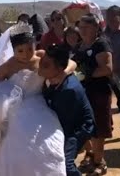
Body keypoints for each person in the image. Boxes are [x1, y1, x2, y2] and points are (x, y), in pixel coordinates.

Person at [0, 22, 76, 176]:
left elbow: (71, 62)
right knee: (13, 146)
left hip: (40, 106)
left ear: (35, 45)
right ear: (13, 49)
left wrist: (64, 72)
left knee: (49, 141)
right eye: (20, 50)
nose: (25, 54)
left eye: (30, 48)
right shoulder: (9, 66)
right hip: (15, 110)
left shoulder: (42, 56)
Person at [40, 45, 95, 176]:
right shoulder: (54, 75)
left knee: (65, 163)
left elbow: (66, 124)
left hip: (78, 127)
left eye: (46, 65)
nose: (40, 66)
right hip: (66, 120)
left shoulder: (68, 90)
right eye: (42, 62)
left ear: (59, 69)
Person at [73, 13, 113, 175]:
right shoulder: (79, 46)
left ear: (96, 28)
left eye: (86, 27)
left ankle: (99, 162)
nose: (81, 30)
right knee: (85, 126)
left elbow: (107, 69)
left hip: (99, 92)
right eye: (80, 27)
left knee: (98, 127)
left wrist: (86, 74)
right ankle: (91, 156)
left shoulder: (101, 45)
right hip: (83, 92)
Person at [104, 5, 120, 129]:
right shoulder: (102, 35)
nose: (110, 20)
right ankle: (107, 126)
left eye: (113, 18)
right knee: (105, 103)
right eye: (108, 18)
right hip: (106, 77)